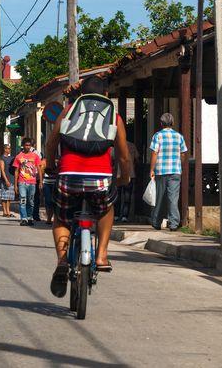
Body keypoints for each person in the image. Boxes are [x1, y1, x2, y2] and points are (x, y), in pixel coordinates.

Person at [45, 77, 130, 297]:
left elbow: (52, 142)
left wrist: (52, 164)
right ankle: (101, 255)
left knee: (62, 217)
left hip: (68, 176)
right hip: (100, 179)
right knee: (106, 208)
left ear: (81, 93)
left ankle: (62, 260)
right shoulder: (114, 117)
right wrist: (125, 177)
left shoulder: (69, 111)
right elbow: (124, 156)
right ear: (106, 94)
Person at [149, 112, 187, 231]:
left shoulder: (157, 136)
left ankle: (156, 222)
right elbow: (183, 153)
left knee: (160, 197)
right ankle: (174, 224)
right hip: (175, 170)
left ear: (161, 123)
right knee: (173, 198)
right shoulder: (179, 136)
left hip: (161, 170)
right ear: (173, 123)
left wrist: (152, 169)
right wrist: (180, 165)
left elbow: (154, 152)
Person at [15, 138, 44, 226]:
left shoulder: (35, 156)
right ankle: (23, 218)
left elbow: (39, 169)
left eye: (29, 145)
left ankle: (30, 217)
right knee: (23, 200)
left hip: (32, 182)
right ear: (23, 145)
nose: (27, 147)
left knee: (31, 201)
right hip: (22, 182)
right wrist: (15, 184)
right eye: (26, 145)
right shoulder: (19, 156)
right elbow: (16, 170)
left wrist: (41, 181)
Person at [0, 145, 17, 218]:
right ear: (5, 149)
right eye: (8, 148)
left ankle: (8, 211)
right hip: (5, 180)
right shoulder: (2, 158)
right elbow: (2, 170)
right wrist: (6, 180)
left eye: (10, 148)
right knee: (4, 197)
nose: (9, 150)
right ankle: (4, 212)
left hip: (12, 178)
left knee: (9, 197)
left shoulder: (12, 158)